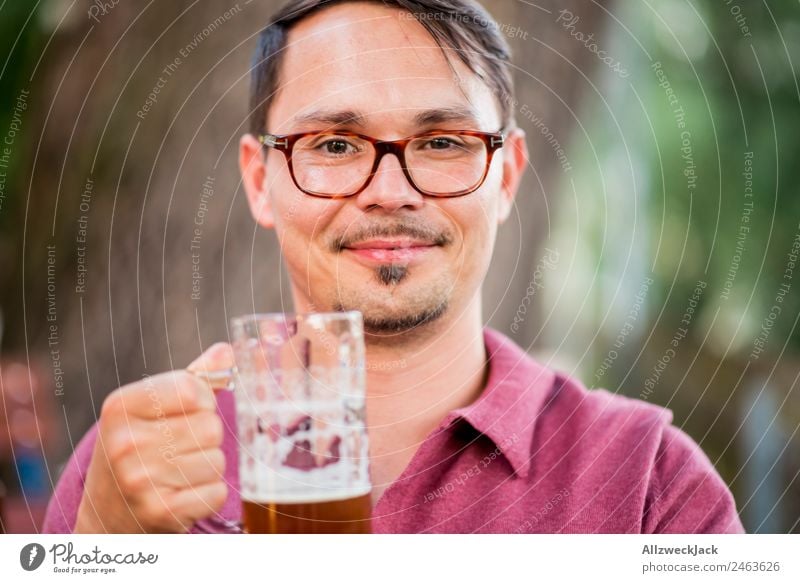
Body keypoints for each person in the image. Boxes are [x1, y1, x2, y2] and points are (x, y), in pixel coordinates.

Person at [43, 0, 744, 534]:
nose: (390, 189)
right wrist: (105, 546)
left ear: (505, 179)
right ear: (260, 179)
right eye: (336, 144)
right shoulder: (131, 467)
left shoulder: (652, 482)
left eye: (442, 140)